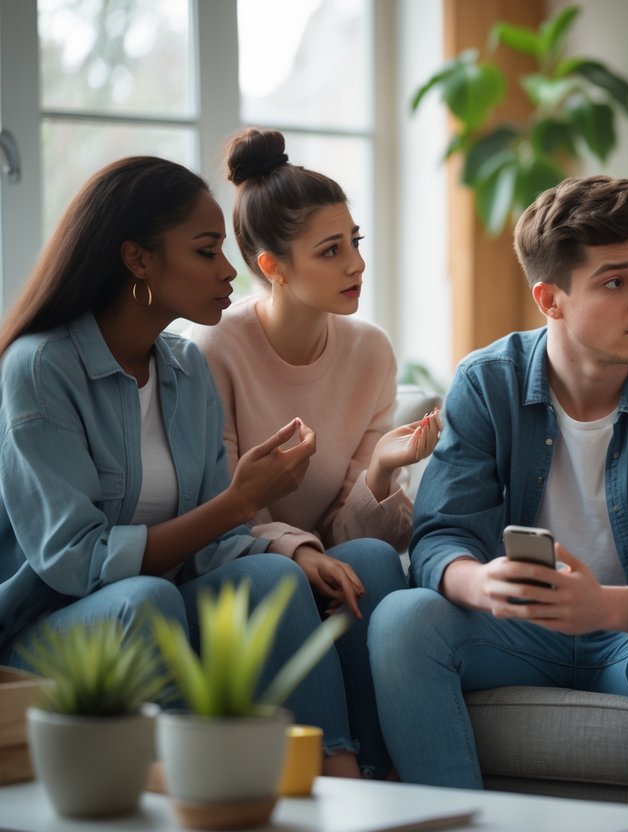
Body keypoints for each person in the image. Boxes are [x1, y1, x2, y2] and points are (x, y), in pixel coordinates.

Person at [367, 175, 628, 819]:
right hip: (517, 632)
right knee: (402, 619)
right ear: (551, 299)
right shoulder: (487, 381)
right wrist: (481, 583)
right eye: (614, 281)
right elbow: (440, 535)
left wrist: (603, 605)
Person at [0, 156, 394, 778]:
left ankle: (342, 776)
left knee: (274, 580)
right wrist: (235, 503)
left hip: (161, 597)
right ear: (138, 260)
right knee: (148, 598)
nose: (230, 270)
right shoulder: (41, 367)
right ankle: (199, 789)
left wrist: (294, 553)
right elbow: (74, 561)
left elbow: (221, 546)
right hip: (48, 625)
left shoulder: (184, 369)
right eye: (207, 251)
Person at [191, 128, 429, 779]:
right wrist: (296, 552)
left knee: (375, 559)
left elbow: (341, 534)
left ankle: (386, 780)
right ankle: (339, 769)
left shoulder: (370, 351)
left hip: (322, 559)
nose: (355, 263)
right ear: (272, 266)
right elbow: (216, 509)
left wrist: (381, 467)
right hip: (236, 567)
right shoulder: (214, 351)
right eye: (330, 250)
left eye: (355, 242)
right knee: (286, 578)